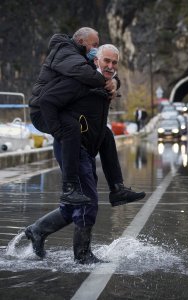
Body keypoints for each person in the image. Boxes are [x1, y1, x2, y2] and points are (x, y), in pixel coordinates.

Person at [25, 44, 135, 264]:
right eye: (107, 61)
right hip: (72, 147)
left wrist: (115, 82)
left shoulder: (104, 82)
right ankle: (82, 255)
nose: (111, 66)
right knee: (87, 200)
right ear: (96, 60)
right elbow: (47, 101)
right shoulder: (79, 80)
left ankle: (38, 230)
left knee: (74, 204)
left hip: (86, 146)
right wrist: (59, 132)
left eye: (114, 63)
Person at [29, 27, 145, 207]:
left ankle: (117, 189)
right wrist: (58, 132)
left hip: (59, 105)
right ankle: (69, 188)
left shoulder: (81, 59)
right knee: (71, 128)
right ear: (81, 42)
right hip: (43, 108)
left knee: (106, 134)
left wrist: (114, 81)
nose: (95, 50)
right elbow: (87, 73)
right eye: (94, 45)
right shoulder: (67, 54)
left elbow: (101, 72)